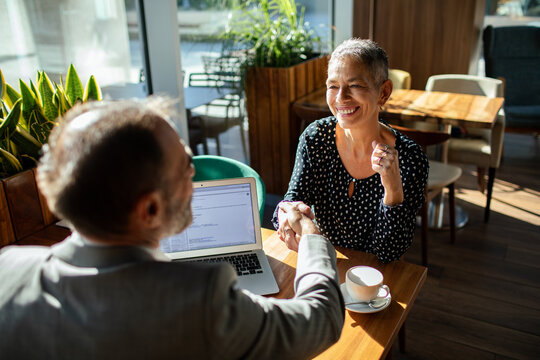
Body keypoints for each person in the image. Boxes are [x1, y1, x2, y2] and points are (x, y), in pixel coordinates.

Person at [0, 98, 344, 359]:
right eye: (186, 167)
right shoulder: (198, 301)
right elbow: (320, 320)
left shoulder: (8, 268)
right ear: (150, 209)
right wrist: (312, 238)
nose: (195, 178)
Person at [274, 38, 429, 263]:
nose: (340, 98)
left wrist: (393, 190)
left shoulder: (410, 159)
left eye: (355, 86)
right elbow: (291, 203)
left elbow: (389, 253)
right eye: (333, 86)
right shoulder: (316, 138)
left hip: (375, 277)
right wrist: (289, 216)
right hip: (324, 260)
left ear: (384, 92)